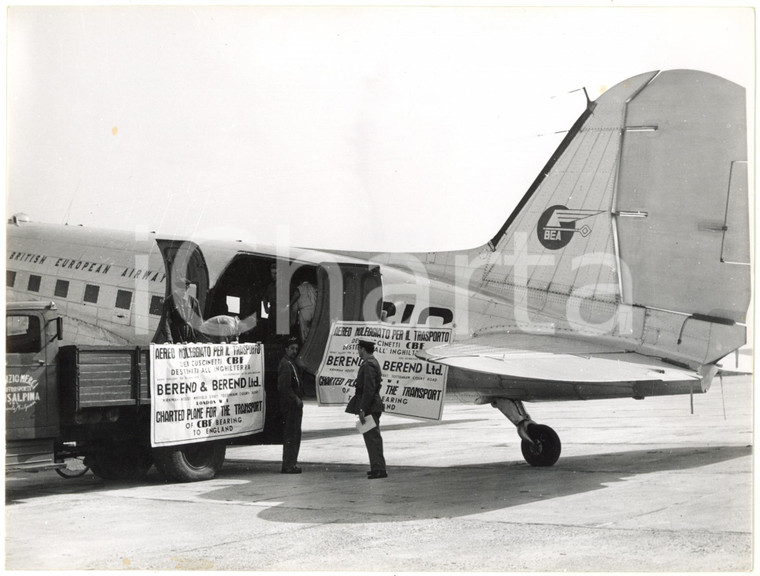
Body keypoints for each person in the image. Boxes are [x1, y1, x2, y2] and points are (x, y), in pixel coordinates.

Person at [348, 339, 387, 479]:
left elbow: (369, 389)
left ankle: (379, 469)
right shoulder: (371, 363)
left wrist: (362, 409)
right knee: (371, 437)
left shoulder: (369, 365)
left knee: (373, 438)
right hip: (372, 405)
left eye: (358, 348)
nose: (358, 351)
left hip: (370, 406)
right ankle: (376, 467)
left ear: (362, 349)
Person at [277, 336, 304, 474]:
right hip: (291, 406)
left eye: (296, 349)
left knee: (294, 435)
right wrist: (295, 399)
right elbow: (284, 387)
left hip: (294, 406)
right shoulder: (286, 364)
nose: (294, 351)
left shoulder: (291, 363)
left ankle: (291, 463)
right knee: (291, 436)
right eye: (292, 348)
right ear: (286, 349)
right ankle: (289, 465)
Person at [157, 275, 203, 343]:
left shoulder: (193, 301)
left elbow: (199, 321)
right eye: (182, 290)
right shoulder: (169, 301)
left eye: (186, 290)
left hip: (190, 335)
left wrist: (199, 338)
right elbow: (164, 321)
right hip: (176, 334)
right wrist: (169, 338)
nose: (184, 293)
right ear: (177, 288)